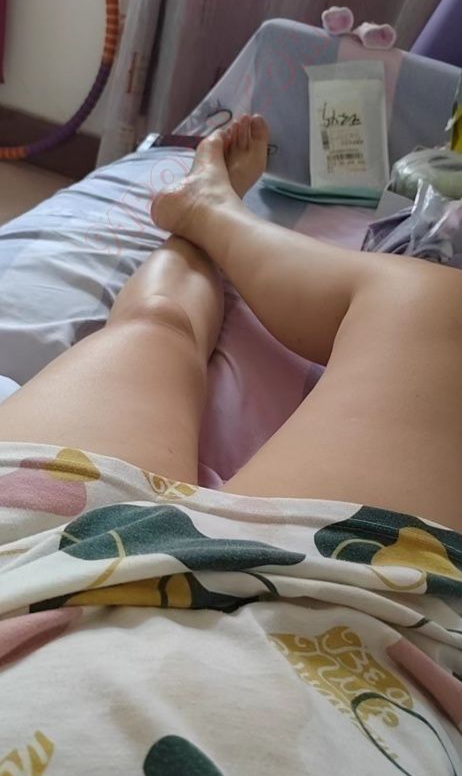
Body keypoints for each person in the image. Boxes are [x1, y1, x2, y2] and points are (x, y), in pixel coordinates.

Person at [0, 113, 461, 531]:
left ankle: (206, 208)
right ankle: (206, 209)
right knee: (426, 301)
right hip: (348, 586)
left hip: (33, 563)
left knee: (157, 323)